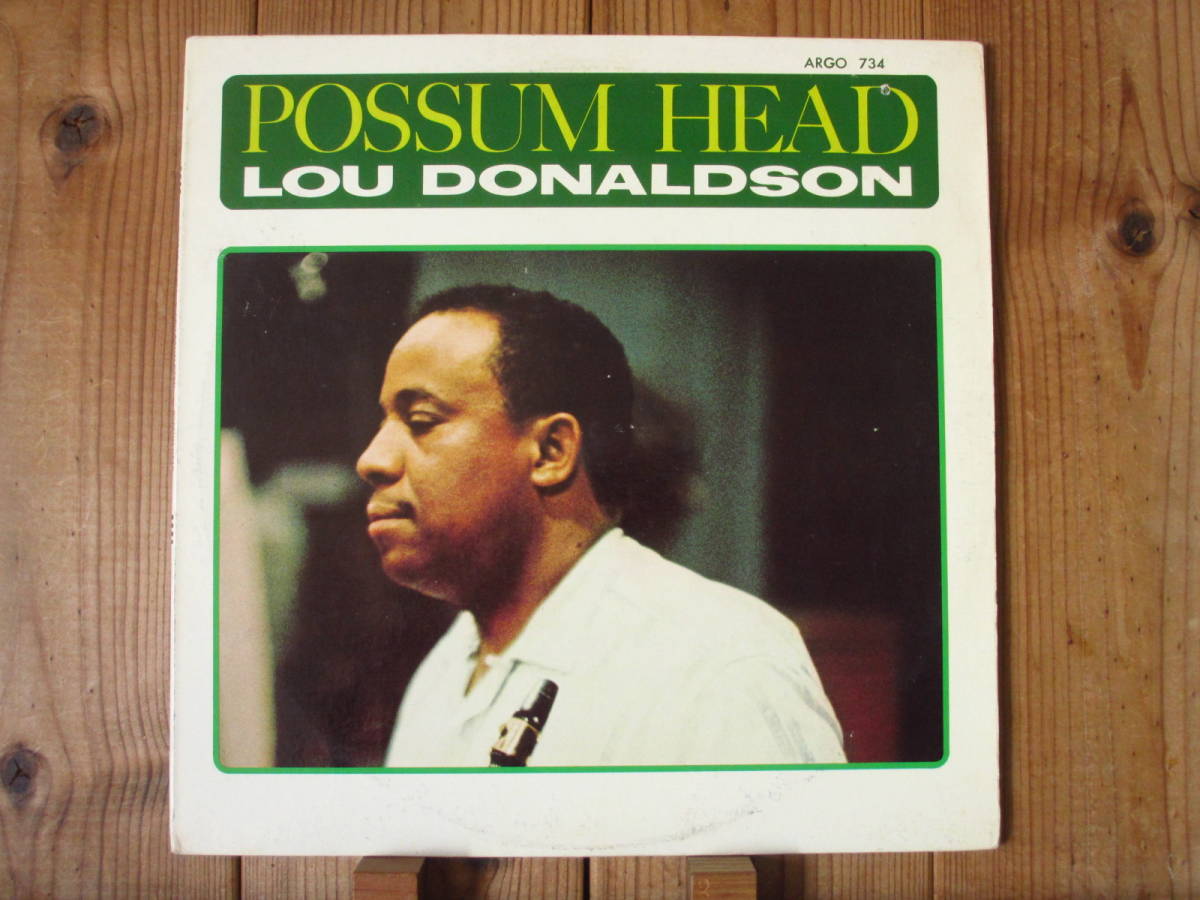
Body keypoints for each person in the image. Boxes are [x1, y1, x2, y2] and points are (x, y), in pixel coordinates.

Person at [356, 284, 845, 766]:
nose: (372, 460)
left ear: (551, 451)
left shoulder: (714, 664)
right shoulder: (445, 669)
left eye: (421, 420)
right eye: (384, 423)